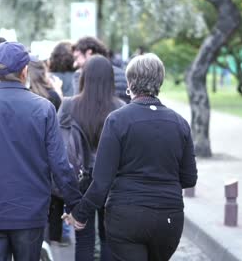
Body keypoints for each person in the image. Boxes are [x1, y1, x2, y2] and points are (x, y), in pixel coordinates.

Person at [64, 53, 198, 261]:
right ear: (160, 81)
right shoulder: (179, 123)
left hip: (127, 215)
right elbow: (189, 179)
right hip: (168, 217)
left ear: (130, 82)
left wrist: (80, 213)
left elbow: (101, 182)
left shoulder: (118, 120)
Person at [0, 41, 82, 261]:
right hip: (29, 213)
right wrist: (74, 203)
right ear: (25, 71)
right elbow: (60, 164)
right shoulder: (43, 108)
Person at [58, 55, 124, 261]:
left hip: (78, 181)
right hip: (110, 182)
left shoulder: (69, 105)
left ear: (84, 77)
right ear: (110, 79)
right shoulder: (121, 107)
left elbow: (59, 145)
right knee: (107, 239)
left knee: (84, 240)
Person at [72, 36, 128, 103]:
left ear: (89, 53)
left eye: (76, 57)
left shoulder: (88, 77)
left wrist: (78, 77)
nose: (75, 64)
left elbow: (79, 106)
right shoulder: (123, 74)